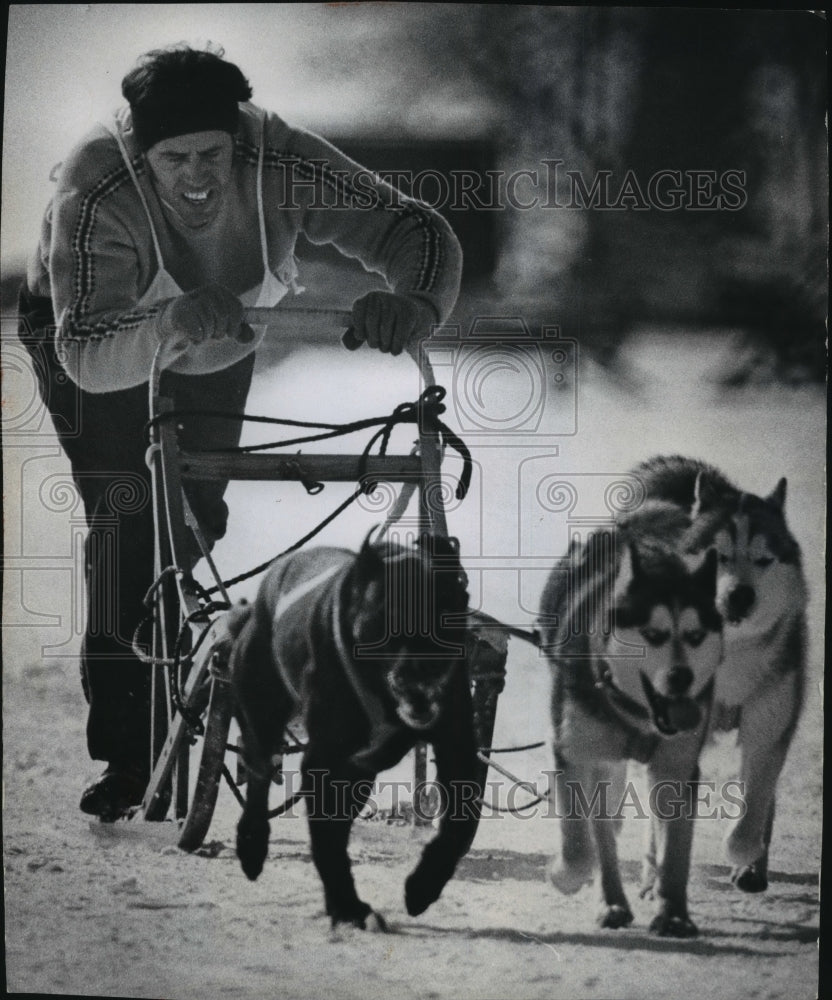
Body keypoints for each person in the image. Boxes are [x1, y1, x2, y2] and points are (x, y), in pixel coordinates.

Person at [18, 44, 462, 820]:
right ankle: (130, 752)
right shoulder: (96, 188)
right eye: (176, 159)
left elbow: (414, 230)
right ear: (142, 153)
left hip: (222, 327)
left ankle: (174, 674)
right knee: (132, 512)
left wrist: (414, 302)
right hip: (90, 332)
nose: (197, 177)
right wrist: (166, 321)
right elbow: (85, 350)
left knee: (194, 510)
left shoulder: (281, 156)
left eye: (213, 155)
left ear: (239, 141)